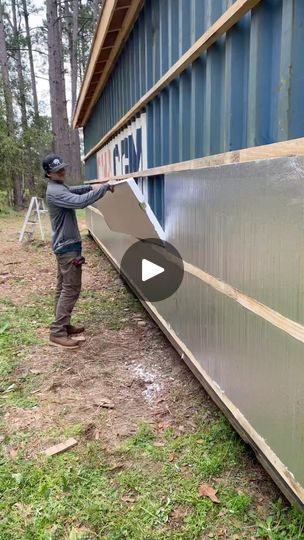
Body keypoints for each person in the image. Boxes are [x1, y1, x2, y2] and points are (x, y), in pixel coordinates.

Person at [43, 153, 114, 349]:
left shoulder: (58, 187)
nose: (62, 171)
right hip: (67, 247)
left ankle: (62, 326)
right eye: (58, 170)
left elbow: (74, 190)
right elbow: (79, 202)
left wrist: (92, 187)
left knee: (63, 287)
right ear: (49, 173)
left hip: (63, 245)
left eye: (63, 168)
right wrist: (105, 188)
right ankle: (57, 332)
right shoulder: (55, 192)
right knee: (71, 288)